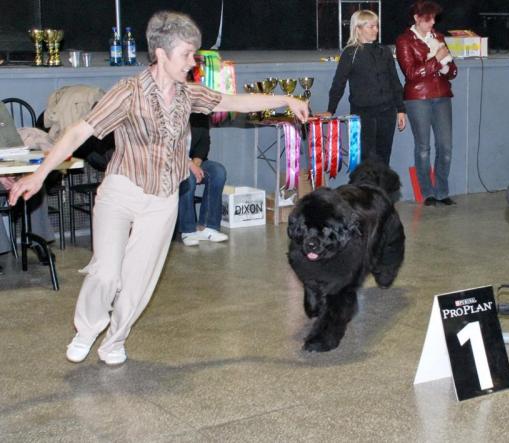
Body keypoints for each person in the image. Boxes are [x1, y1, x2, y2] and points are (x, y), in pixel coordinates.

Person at [9, 10, 308, 366]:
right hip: (121, 191)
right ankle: (88, 328)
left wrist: (286, 100)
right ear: (162, 55)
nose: (192, 62)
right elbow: (77, 132)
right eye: (186, 55)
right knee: (106, 271)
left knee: (138, 281)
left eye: (194, 54)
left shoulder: (186, 94)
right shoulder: (128, 93)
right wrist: (39, 175)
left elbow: (232, 102)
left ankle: (115, 341)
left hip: (162, 198)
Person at [396, 0, 458, 206]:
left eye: (433, 18)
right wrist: (437, 61)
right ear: (416, 18)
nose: (432, 22)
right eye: (427, 19)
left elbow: (453, 71)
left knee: (446, 147)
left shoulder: (438, 37)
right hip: (418, 98)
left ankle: (442, 191)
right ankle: (427, 192)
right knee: (423, 147)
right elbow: (412, 74)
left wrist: (446, 67)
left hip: (442, 95)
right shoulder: (404, 40)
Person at [326, 9, 406, 165]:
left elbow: (395, 82)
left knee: (384, 157)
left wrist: (401, 109)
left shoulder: (385, 52)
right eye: (371, 26)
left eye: (376, 26)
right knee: (366, 159)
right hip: (363, 113)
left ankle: (380, 190)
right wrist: (331, 110)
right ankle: (365, 189)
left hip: (387, 112)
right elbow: (338, 84)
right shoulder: (350, 53)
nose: (376, 29)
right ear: (358, 29)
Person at [178, 113, 227, 245]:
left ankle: (207, 227)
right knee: (188, 177)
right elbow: (170, 146)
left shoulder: (200, 114)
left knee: (218, 172)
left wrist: (196, 164)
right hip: (173, 161)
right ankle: (188, 230)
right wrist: (189, 166)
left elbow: (204, 142)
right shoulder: (175, 111)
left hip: (194, 162)